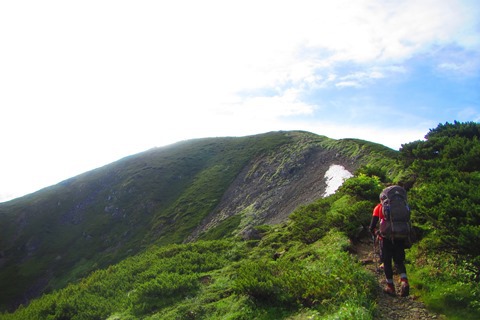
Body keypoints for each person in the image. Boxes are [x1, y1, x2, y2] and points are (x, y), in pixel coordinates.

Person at [370, 199, 410, 297]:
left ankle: (390, 287)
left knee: (387, 262)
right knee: (399, 261)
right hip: (400, 236)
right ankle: (404, 281)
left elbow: (372, 226)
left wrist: (375, 232)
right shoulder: (401, 207)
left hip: (385, 238)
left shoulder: (379, 207)